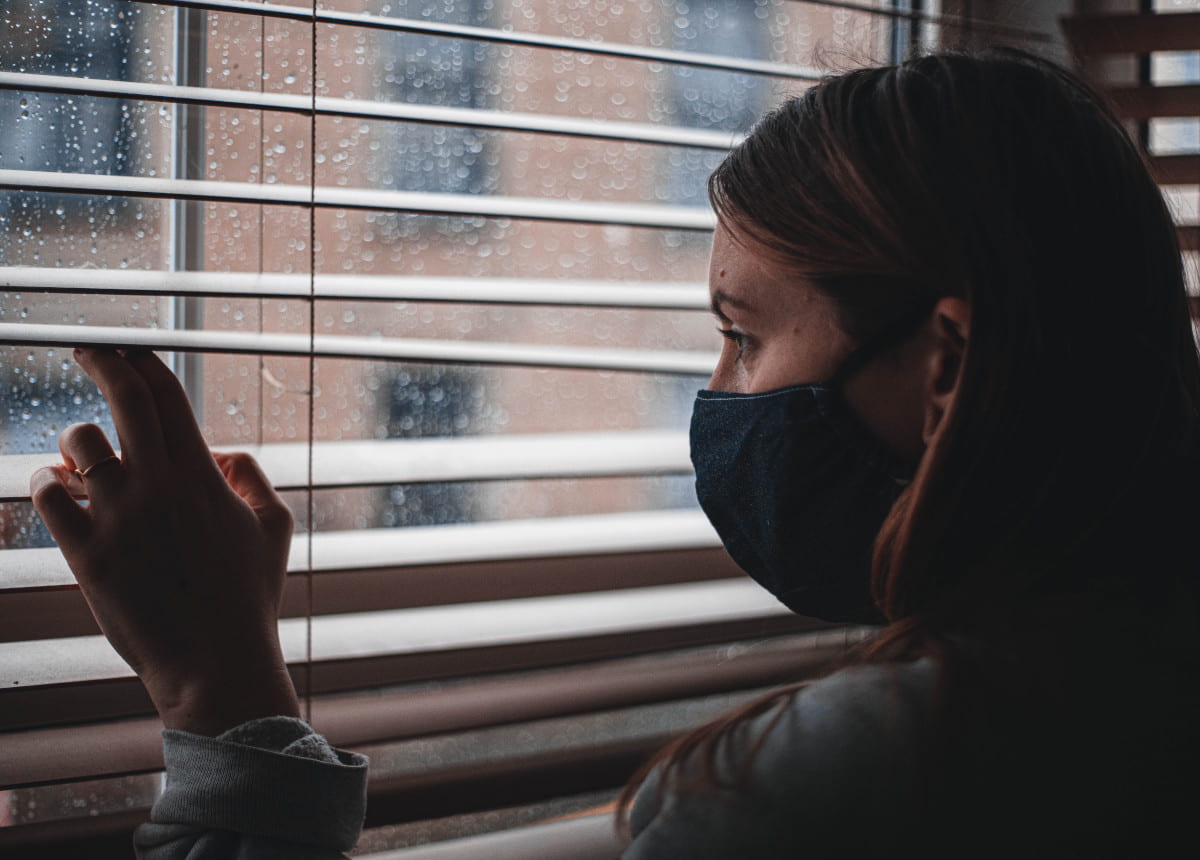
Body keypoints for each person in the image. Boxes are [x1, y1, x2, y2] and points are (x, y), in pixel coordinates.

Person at [29, 47, 1200, 858]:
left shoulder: (851, 787)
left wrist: (216, 688)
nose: (716, 393)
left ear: (944, 369)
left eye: (742, 336)